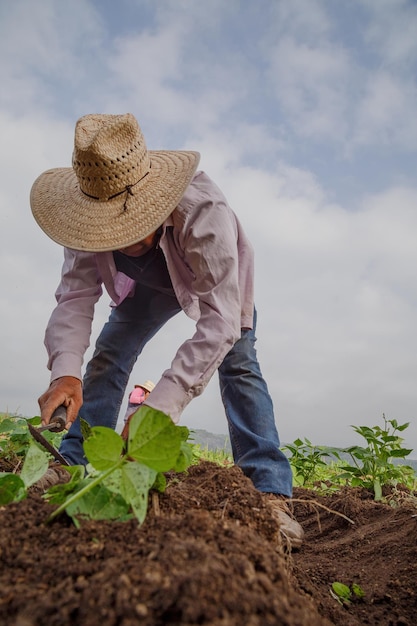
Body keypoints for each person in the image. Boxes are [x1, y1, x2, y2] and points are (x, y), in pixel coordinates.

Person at [30, 113, 304, 548]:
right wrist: (64, 371)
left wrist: (158, 408)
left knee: (240, 367)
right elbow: (75, 298)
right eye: (111, 232)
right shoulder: (84, 218)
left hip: (214, 286)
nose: (123, 240)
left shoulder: (203, 210)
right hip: (146, 287)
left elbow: (220, 321)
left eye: (133, 226)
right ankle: (75, 462)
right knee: (109, 353)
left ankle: (269, 490)